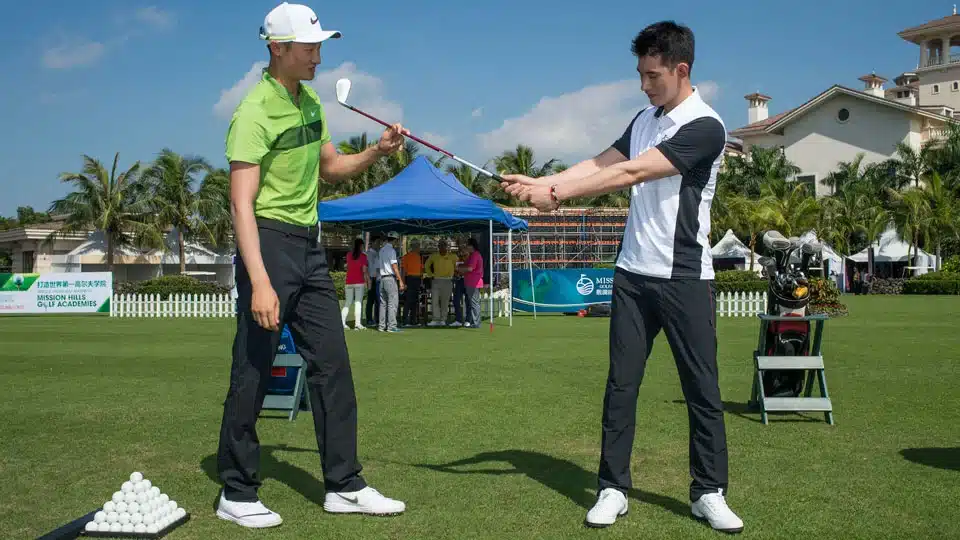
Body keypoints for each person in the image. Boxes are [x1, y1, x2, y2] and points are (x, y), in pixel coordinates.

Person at [501, 21, 744, 534]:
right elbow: (600, 162)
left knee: (702, 388)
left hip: (684, 278)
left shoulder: (706, 127)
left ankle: (709, 492)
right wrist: (541, 181)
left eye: (652, 75)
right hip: (632, 275)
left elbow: (631, 174)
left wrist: (559, 197)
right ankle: (613, 487)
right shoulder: (643, 119)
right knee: (621, 385)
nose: (644, 84)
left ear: (681, 70)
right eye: (640, 74)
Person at [217, 2, 408, 528]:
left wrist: (377, 152)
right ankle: (236, 491)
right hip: (269, 243)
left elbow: (332, 169)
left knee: (332, 366)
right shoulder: (253, 113)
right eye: (309, 47)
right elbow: (241, 204)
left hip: (309, 246)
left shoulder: (311, 104)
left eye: (320, 46)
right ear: (277, 48)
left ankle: (343, 485)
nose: (318, 56)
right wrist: (258, 280)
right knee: (253, 367)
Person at [424, 238, 459, 326]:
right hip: (436, 280)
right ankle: (435, 319)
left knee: (445, 301)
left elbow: (458, 265)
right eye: (440, 245)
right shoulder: (434, 256)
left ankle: (443, 319)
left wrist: (455, 274)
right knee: (434, 300)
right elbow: (426, 265)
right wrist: (430, 275)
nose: (442, 247)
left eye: (444, 245)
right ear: (438, 247)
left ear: (447, 247)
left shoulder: (453, 256)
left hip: (448, 280)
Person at [377, 231, 406, 332]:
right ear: (395, 240)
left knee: (383, 303)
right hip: (390, 278)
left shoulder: (381, 250)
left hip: (382, 278)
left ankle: (381, 326)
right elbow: (394, 266)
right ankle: (391, 326)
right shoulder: (392, 251)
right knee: (392, 303)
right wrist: (401, 280)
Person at [342, 238, 369, 330]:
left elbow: (347, 266)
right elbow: (364, 271)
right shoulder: (363, 257)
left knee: (348, 303)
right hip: (359, 282)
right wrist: (367, 281)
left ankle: (342, 322)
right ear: (361, 246)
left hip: (349, 282)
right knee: (358, 302)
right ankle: (357, 324)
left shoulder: (349, 255)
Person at [457, 238, 484, 328]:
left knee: (474, 303)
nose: (466, 247)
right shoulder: (472, 255)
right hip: (471, 282)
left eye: (467, 245)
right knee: (473, 303)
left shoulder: (475, 255)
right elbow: (466, 265)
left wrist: (459, 269)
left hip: (474, 282)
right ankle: (474, 322)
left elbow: (470, 268)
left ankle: (476, 323)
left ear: (471, 246)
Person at [400, 240, 423, 326]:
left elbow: (420, 270)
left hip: (416, 280)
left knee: (415, 301)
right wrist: (403, 282)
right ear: (413, 246)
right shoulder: (406, 257)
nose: (419, 248)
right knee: (408, 301)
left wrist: (421, 281)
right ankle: (405, 321)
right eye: (418, 246)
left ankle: (413, 321)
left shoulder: (418, 256)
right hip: (409, 279)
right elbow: (403, 270)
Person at [365, 236, 381, 325]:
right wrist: (368, 280)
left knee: (378, 300)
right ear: (373, 242)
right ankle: (369, 319)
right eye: (378, 242)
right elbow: (366, 268)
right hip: (371, 278)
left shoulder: (379, 253)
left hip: (378, 278)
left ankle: (377, 318)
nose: (379, 244)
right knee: (370, 300)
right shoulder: (368, 254)